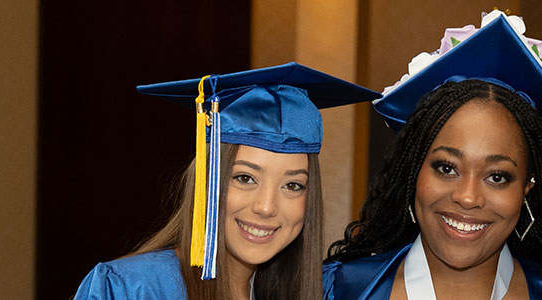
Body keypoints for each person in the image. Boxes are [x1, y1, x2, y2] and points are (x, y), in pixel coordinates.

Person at [73, 63, 380, 299]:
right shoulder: (130, 289)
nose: (266, 207)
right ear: (208, 179)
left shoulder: (297, 293)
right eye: (245, 178)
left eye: (293, 185)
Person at [322, 11, 542, 300]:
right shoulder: (340, 290)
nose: (467, 197)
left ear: (528, 186)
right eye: (447, 168)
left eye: (497, 176)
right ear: (415, 171)